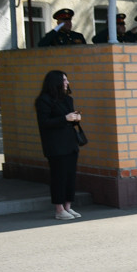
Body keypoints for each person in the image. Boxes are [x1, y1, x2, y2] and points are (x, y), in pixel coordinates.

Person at [34, 70, 83, 220]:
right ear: (55, 82)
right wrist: (65, 118)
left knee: (70, 176)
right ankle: (59, 209)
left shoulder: (67, 99)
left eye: (67, 80)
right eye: (64, 80)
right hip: (55, 145)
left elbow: (69, 120)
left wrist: (76, 118)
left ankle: (68, 206)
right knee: (59, 176)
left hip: (70, 143)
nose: (67, 83)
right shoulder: (43, 100)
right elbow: (44, 123)